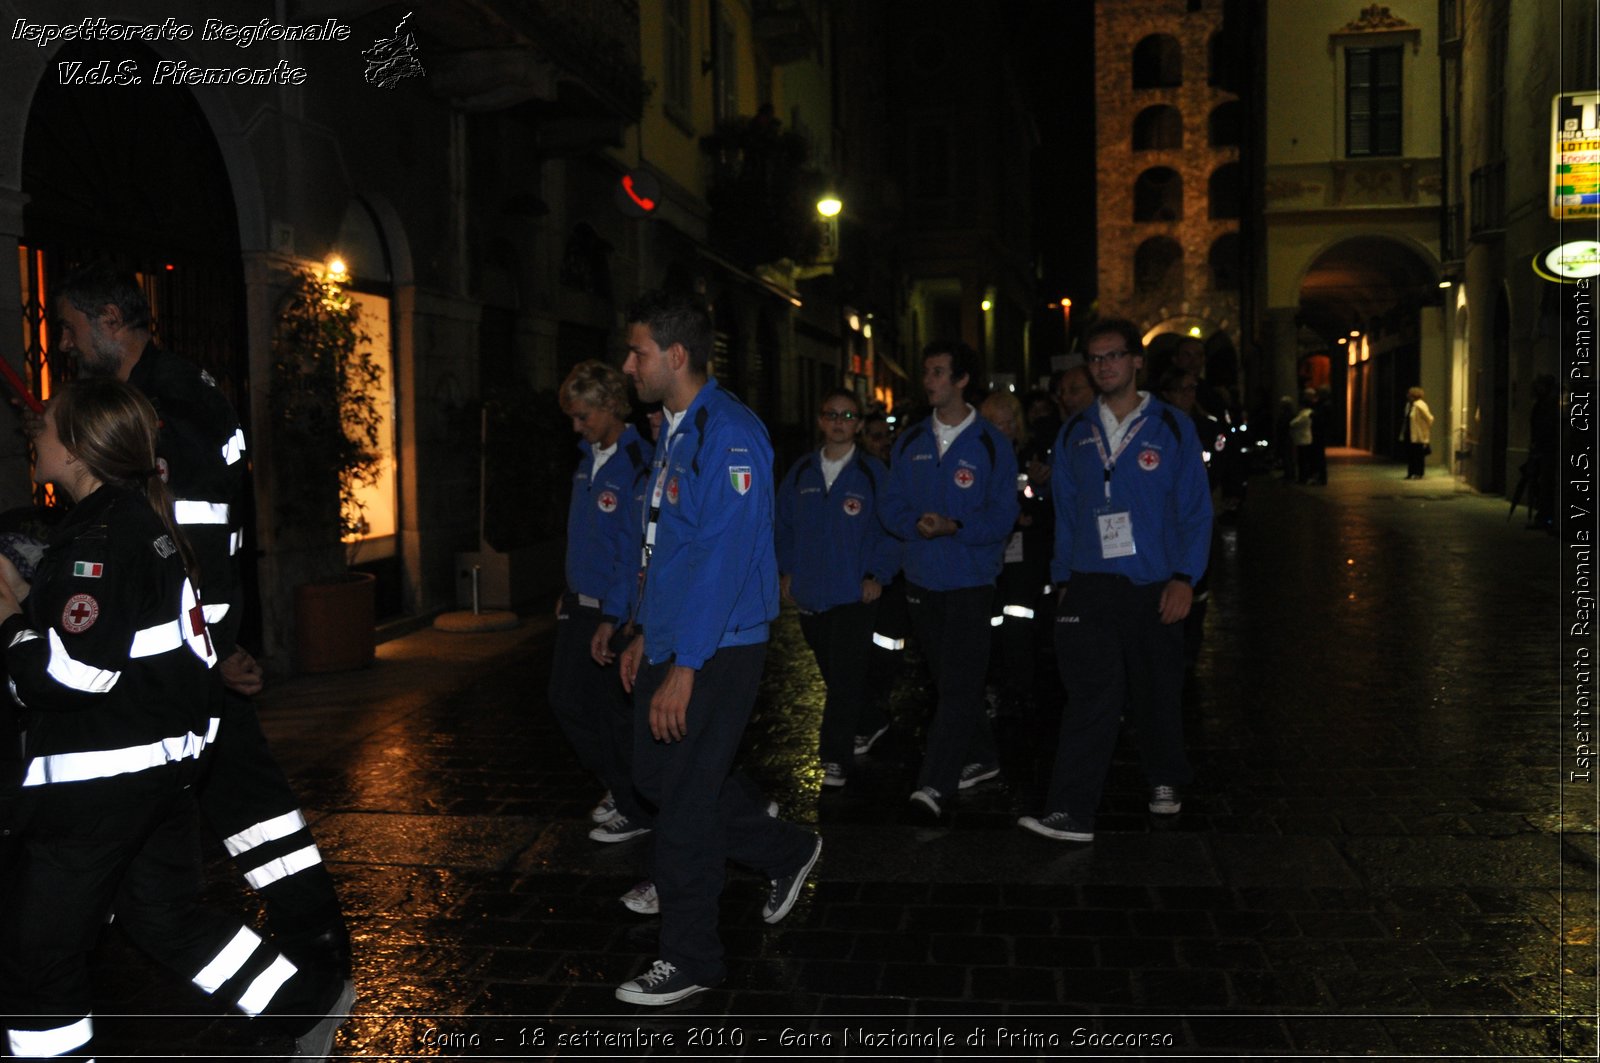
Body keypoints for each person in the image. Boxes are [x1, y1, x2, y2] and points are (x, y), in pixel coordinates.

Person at [0, 379, 353, 1060]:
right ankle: (301, 1005)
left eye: (45, 426)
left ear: (76, 449)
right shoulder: (138, 523)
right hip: (154, 777)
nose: (32, 434)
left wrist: (9, 619)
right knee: (167, 919)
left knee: (36, 959)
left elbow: (75, 673)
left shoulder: (99, 540)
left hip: (98, 786)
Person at [53, 264, 351, 979]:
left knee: (245, 800)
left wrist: (210, 652)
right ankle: (298, 937)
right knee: (221, 799)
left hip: (189, 658)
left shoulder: (171, 409)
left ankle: (312, 945)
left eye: (68, 328)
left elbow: (201, 547)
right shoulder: (164, 396)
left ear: (109, 324)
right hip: (190, 652)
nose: (63, 343)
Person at [614, 290, 820, 1005]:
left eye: (638, 351)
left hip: (721, 645)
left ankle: (692, 956)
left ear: (676, 355)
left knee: (685, 807)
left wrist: (687, 668)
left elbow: (724, 561)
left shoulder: (730, 434)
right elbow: (665, 547)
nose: (627, 363)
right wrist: (643, 629)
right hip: (674, 637)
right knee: (659, 779)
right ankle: (786, 847)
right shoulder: (674, 428)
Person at [1019, 318, 1212, 843]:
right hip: (1090, 582)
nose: (1104, 366)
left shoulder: (1172, 426)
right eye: (1095, 358)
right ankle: (1070, 811)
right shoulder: (1075, 431)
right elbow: (1069, 512)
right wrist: (1063, 581)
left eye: (1113, 356)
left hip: (1154, 584)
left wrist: (1183, 578)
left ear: (1135, 362)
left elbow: (1196, 510)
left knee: (1156, 690)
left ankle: (1166, 776)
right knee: (1091, 696)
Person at [881, 341, 1019, 819]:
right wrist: (913, 524)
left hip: (971, 581)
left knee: (960, 685)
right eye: (927, 372)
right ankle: (982, 758)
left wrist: (956, 528)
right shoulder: (910, 440)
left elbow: (1004, 514)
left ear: (962, 381)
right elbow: (890, 500)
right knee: (951, 682)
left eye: (939, 372)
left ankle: (935, 784)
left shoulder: (991, 443)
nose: (929, 381)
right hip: (922, 579)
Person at [550, 361, 653, 843]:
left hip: (615, 610)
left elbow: (631, 552)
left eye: (584, 416)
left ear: (612, 406)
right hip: (582, 603)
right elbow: (587, 539)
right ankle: (622, 788)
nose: (577, 426)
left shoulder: (638, 464)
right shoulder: (587, 458)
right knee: (571, 703)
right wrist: (570, 591)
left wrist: (614, 616)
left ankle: (636, 803)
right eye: (572, 417)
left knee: (614, 715)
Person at [776, 389, 897, 789]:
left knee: (845, 676)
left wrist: (876, 574)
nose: (839, 421)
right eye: (831, 414)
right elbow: (783, 527)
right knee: (834, 673)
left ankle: (833, 757)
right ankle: (872, 721)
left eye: (848, 415)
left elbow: (890, 529)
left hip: (853, 595)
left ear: (859, 424)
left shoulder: (872, 473)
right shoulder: (801, 472)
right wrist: (786, 570)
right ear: (820, 421)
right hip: (810, 594)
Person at [979, 390, 1049, 716]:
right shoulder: (977, 457)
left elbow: (1042, 499)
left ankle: (1021, 684)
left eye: (1009, 422)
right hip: (990, 551)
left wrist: (1034, 496)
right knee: (990, 619)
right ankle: (992, 680)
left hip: (1023, 552)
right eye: (996, 423)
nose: (1004, 429)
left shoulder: (1030, 455)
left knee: (1019, 617)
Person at [1400, 385, 1433, 479]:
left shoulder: (1420, 405)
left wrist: (1424, 432)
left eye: (1409, 394)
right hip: (1409, 434)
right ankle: (1411, 472)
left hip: (1418, 435)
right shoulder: (1409, 405)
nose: (1407, 396)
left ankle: (1419, 473)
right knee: (1410, 454)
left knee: (1418, 455)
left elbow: (1429, 418)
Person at [1290, 390, 1316, 485]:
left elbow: (1293, 423)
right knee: (1303, 460)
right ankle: (1303, 477)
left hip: (1303, 439)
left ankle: (1303, 478)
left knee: (1303, 460)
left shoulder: (1305, 414)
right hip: (1304, 438)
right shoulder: (1308, 413)